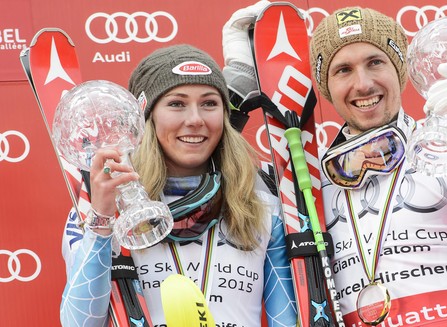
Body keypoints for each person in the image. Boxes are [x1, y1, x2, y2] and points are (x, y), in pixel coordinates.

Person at [223, 3, 447, 326]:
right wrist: (233, 100)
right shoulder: (305, 183)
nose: (363, 83)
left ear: (399, 69)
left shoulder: (446, 154)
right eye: (343, 70)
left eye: (375, 62)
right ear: (326, 86)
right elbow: (198, 188)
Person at [60, 44, 297, 327]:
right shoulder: (101, 206)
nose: (195, 119)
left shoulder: (261, 201)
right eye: (176, 104)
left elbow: (287, 317)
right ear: (145, 117)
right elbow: (79, 323)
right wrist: (101, 223)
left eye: (209, 103)